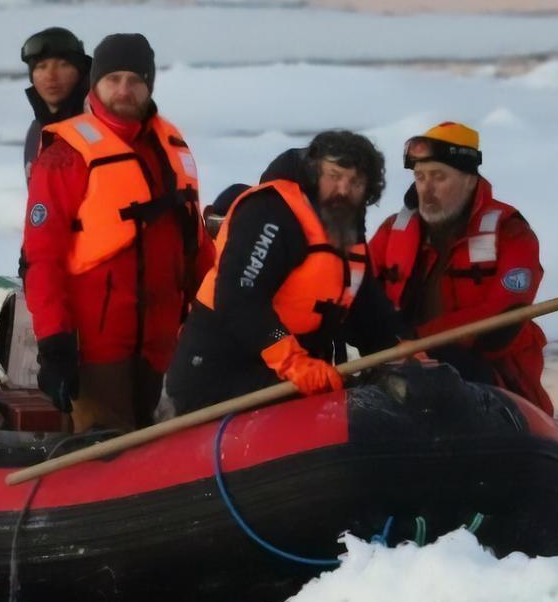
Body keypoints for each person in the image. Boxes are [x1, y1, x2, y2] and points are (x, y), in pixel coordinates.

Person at [22, 33, 212, 432]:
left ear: (150, 84)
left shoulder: (169, 146)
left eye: (135, 80)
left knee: (156, 443)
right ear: (95, 84)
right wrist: (54, 344)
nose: (124, 90)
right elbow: (41, 259)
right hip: (97, 348)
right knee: (105, 451)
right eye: (113, 79)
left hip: (162, 345)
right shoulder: (65, 155)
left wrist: (219, 316)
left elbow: (196, 243)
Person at [165, 131, 401, 415]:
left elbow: (368, 312)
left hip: (291, 377)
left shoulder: (347, 229)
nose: (343, 190)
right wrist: (292, 362)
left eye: (355, 182)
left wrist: (403, 352)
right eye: (334, 176)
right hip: (221, 373)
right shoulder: (272, 211)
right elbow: (239, 297)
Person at [369, 121, 554, 415]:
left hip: (490, 380)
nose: (426, 190)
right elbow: (358, 295)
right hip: (401, 370)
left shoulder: (511, 233)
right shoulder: (392, 232)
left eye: (439, 177)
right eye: (420, 177)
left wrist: (419, 340)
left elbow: (504, 318)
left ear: (469, 180)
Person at [19, 27, 91, 181]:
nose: (51, 76)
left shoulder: (100, 126)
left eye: (63, 65)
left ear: (81, 71)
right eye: (41, 66)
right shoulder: (36, 133)